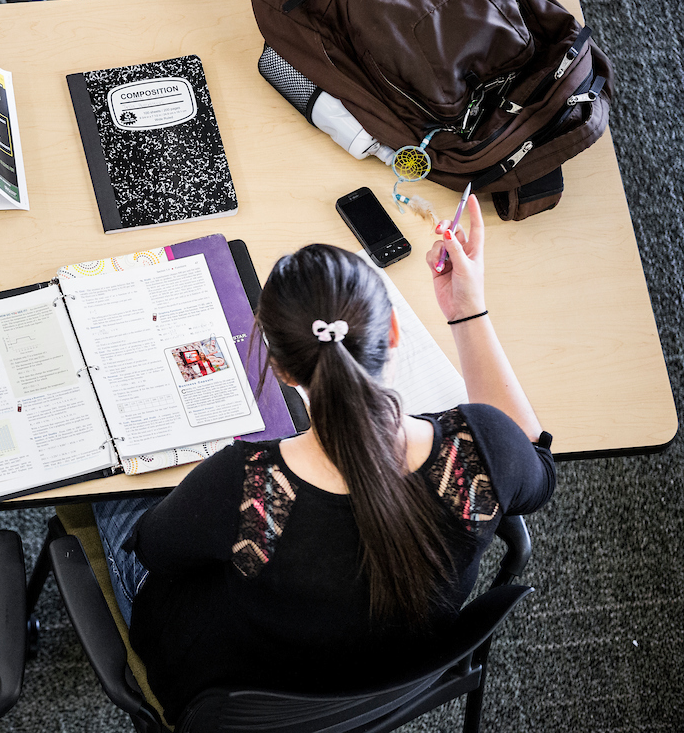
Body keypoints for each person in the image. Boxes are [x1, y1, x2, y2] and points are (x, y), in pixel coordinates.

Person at [91, 195, 556, 723]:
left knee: (114, 500)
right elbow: (537, 462)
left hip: (235, 696)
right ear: (394, 333)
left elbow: (155, 549)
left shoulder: (251, 488)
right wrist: (466, 309)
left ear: (283, 372)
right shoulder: (482, 454)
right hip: (388, 678)